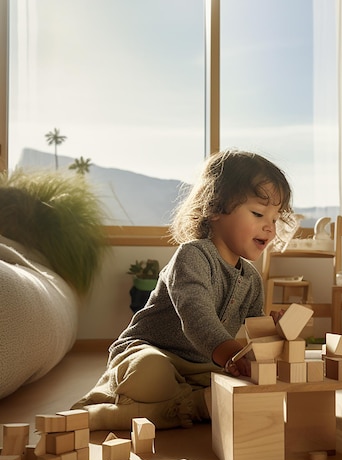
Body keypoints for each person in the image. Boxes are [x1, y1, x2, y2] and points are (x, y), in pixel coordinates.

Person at [73, 150, 294, 430]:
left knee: (257, 387)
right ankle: (192, 406)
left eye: (275, 218)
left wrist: (273, 335)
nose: (270, 227)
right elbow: (196, 315)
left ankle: (170, 408)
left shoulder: (251, 278)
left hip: (203, 368)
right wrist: (232, 356)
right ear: (215, 208)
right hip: (153, 351)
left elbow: (253, 333)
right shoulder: (192, 256)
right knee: (150, 373)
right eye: (258, 213)